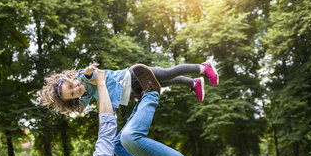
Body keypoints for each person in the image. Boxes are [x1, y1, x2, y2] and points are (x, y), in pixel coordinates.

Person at [41, 65, 193, 156]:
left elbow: (106, 136)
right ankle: (151, 94)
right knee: (129, 138)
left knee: (117, 144)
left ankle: (142, 99)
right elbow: (106, 130)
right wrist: (100, 83)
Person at [39, 60, 219, 115]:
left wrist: (86, 72)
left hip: (132, 75)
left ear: (72, 78)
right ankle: (193, 83)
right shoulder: (84, 97)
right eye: (71, 94)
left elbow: (91, 75)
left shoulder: (83, 76)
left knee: (168, 73)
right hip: (131, 89)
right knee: (163, 83)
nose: (76, 89)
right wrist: (68, 109)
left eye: (72, 86)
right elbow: (84, 106)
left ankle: (203, 67)